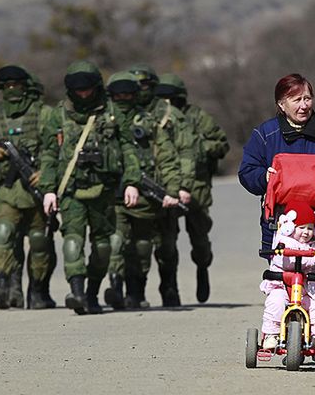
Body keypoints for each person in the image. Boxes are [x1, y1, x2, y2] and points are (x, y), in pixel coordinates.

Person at [238, 73, 315, 318]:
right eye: (295, 99)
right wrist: (264, 177)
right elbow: (247, 171)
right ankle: (289, 330)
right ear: (281, 104)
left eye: (307, 98)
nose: (304, 105)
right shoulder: (265, 134)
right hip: (280, 225)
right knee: (283, 281)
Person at [38, 60, 141, 315]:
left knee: (103, 245)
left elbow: (129, 148)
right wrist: (48, 189)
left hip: (103, 190)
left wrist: (131, 182)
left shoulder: (112, 113)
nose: (83, 94)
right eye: (78, 90)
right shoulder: (57, 115)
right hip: (71, 190)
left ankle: (93, 292)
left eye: (88, 89)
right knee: (72, 240)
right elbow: (49, 154)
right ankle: (77, 292)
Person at [0, 64, 57, 310]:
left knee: (40, 241)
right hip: (6, 191)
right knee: (4, 234)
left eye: (16, 85)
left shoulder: (45, 115)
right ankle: (6, 285)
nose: (12, 90)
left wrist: (46, 174)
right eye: (7, 86)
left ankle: (38, 291)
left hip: (36, 191)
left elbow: (59, 149)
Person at [103, 71, 182, 309]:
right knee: (115, 242)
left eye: (129, 93)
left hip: (145, 200)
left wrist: (172, 189)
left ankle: (135, 293)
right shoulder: (100, 121)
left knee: (141, 247)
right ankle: (115, 288)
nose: (124, 99)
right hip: (108, 195)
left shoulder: (148, 123)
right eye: (119, 95)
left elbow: (168, 158)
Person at [154, 73, 230, 305]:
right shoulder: (157, 118)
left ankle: (202, 267)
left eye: (171, 99)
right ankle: (169, 287)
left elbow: (221, 144)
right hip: (167, 185)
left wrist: (198, 147)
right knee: (165, 241)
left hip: (196, 188)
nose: (167, 105)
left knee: (199, 239)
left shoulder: (197, 117)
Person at [127, 64, 197, 307]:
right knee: (139, 245)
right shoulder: (127, 113)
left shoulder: (171, 115)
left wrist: (183, 186)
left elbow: (186, 152)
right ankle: (135, 293)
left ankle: (170, 289)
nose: (139, 90)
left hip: (168, 186)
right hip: (137, 190)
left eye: (144, 85)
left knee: (167, 246)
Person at [260, 200, 315, 351]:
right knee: (275, 302)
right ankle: (271, 334)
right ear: (290, 228)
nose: (306, 232)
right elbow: (282, 261)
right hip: (284, 287)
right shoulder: (283, 243)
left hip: (309, 291)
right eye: (301, 228)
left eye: (310, 228)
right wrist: (303, 254)